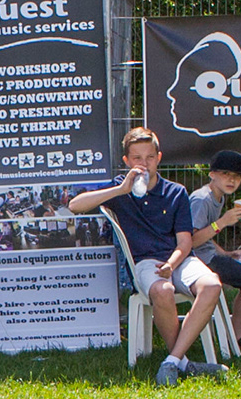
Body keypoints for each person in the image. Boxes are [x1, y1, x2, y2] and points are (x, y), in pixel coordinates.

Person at [68, 127, 225, 385]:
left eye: (150, 157)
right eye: (137, 158)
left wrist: (172, 263)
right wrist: (121, 190)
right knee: (163, 290)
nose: (144, 163)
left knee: (212, 285)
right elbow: (75, 205)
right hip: (144, 263)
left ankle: (173, 360)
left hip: (179, 259)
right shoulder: (121, 189)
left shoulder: (175, 192)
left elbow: (185, 242)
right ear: (127, 161)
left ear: (159, 158)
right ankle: (183, 363)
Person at [190, 150, 241, 358]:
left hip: (208, 256)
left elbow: (206, 238)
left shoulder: (216, 198)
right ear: (212, 174)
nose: (232, 180)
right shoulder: (202, 199)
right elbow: (190, 241)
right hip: (198, 262)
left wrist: (227, 254)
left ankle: (236, 339)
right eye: (226, 174)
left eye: (237, 176)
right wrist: (222, 223)